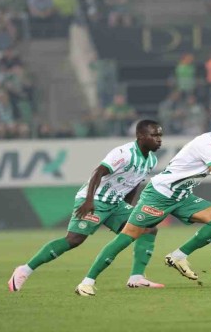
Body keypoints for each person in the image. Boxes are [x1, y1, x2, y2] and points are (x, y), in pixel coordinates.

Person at [74, 105, 211, 296]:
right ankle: (86, 282)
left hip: (181, 196)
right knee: (128, 236)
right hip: (160, 195)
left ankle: (178, 256)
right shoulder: (208, 145)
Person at [8, 119, 165, 292]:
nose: (159, 139)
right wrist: (88, 201)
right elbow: (98, 172)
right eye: (154, 135)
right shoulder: (124, 153)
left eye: (160, 135)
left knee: (147, 229)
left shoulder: (151, 160)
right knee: (74, 240)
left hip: (116, 203)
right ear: (140, 136)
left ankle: (137, 277)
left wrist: (125, 207)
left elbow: (133, 183)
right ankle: (24, 270)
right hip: (95, 199)